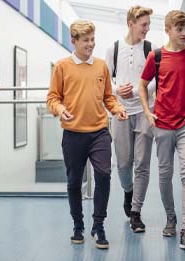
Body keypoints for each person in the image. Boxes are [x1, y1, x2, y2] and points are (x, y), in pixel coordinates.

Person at [47, 20, 128, 250]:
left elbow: (108, 98)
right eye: (86, 40)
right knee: (74, 182)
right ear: (74, 41)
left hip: (99, 132)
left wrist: (118, 109)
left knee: (104, 174)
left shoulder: (101, 66)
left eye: (93, 39)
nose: (91, 44)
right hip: (73, 134)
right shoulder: (62, 67)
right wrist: (60, 109)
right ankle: (78, 225)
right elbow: (53, 98)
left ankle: (98, 225)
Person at [138, 10, 185, 250]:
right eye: (179, 29)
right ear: (168, 30)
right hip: (162, 125)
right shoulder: (156, 56)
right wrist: (148, 112)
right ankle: (171, 217)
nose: (184, 33)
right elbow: (142, 85)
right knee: (165, 175)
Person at [105, 5, 155, 232]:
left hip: (145, 110)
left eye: (148, 25)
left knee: (142, 163)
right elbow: (106, 81)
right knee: (124, 163)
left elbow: (156, 81)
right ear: (130, 23)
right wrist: (118, 90)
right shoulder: (114, 49)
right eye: (143, 25)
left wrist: (135, 91)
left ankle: (136, 212)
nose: (147, 29)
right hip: (121, 112)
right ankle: (128, 191)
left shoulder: (150, 49)